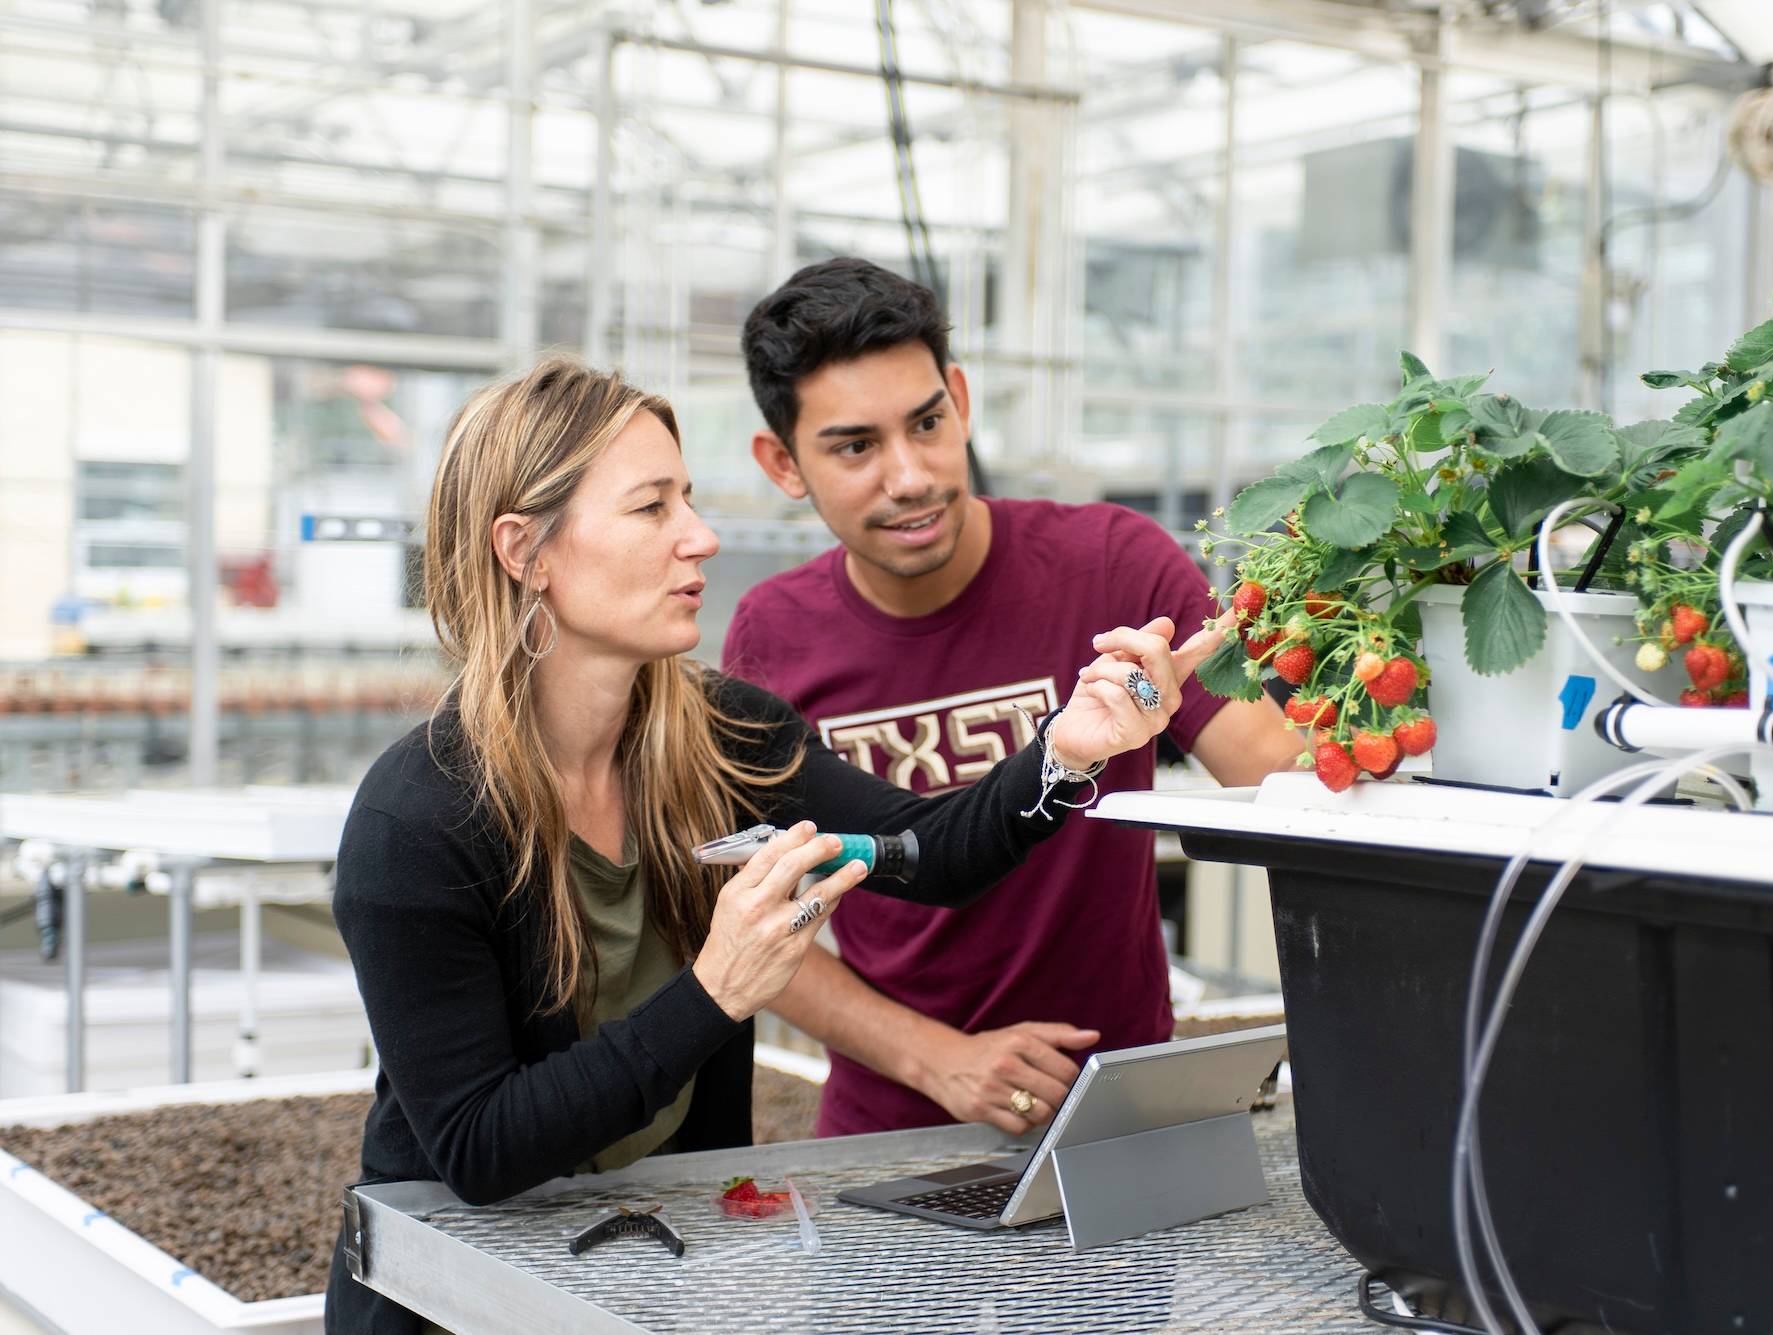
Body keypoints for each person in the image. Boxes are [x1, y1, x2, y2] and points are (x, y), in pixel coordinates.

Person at [325, 357, 1216, 1335]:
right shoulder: (415, 824)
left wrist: (1064, 752)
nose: (698, 538)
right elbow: (479, 1147)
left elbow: (930, 851)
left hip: (647, 1269)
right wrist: (718, 989)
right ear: (524, 550)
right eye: (651, 509)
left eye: (690, 500)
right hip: (448, 1295)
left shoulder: (721, 736)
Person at [723, 258, 1301, 1141]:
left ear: (959, 398)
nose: (910, 475)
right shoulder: (773, 634)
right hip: (889, 1142)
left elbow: (1280, 778)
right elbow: (753, 915)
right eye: (855, 446)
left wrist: (1377, 657)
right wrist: (935, 1059)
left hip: (1124, 1116)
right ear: (782, 461)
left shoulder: (1113, 565)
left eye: (927, 422)